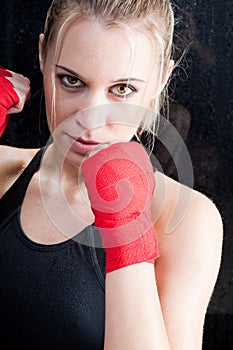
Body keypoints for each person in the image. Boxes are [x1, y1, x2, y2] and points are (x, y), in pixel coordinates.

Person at [0, 1, 223, 349]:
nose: (90, 118)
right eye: (71, 80)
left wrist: (127, 230)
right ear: (43, 56)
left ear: (161, 78)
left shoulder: (186, 220)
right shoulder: (5, 172)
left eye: (122, 89)